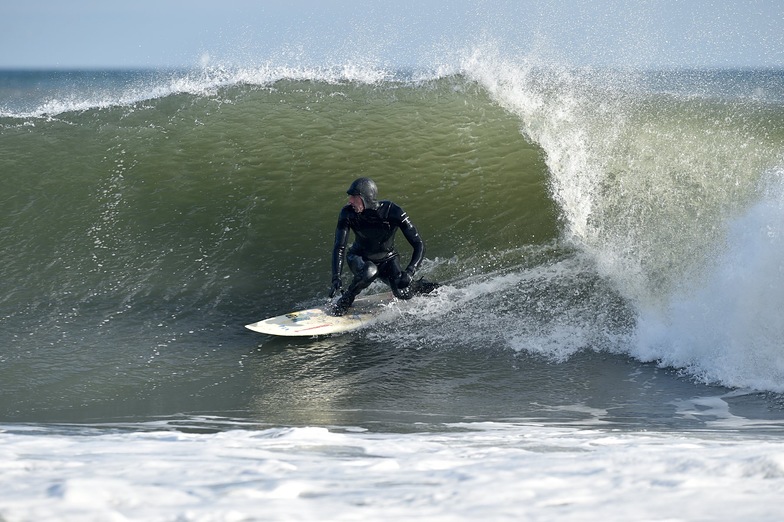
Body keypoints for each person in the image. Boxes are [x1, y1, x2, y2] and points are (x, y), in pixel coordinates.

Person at [329, 177, 438, 316]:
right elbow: (339, 247)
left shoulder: (393, 211)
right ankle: (346, 299)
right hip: (359, 257)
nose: (350, 201)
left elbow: (418, 244)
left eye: (353, 197)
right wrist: (336, 277)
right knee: (370, 271)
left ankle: (419, 286)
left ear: (365, 198)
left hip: (388, 259)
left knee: (403, 292)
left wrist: (410, 271)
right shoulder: (347, 213)